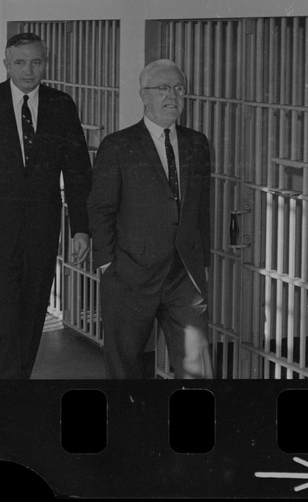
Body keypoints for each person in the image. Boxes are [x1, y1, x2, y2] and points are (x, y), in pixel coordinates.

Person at [0, 32, 92, 379]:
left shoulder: (61, 105)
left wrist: (82, 228)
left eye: (36, 62)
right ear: (6, 64)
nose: (29, 70)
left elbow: (77, 171)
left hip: (42, 230)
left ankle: (20, 383)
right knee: (0, 317)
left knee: (33, 313)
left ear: (45, 62)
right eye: (20, 62)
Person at [88, 59, 214, 380]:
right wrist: (106, 264)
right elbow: (100, 208)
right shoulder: (117, 146)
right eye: (162, 88)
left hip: (184, 276)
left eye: (178, 89)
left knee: (196, 368)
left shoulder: (197, 144)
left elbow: (201, 209)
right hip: (130, 275)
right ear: (144, 96)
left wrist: (204, 263)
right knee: (124, 369)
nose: (172, 95)